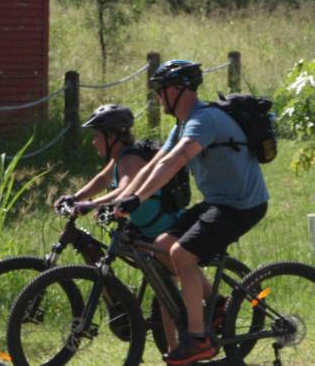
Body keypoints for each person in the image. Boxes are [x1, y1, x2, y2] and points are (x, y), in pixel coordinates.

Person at [109, 60, 269, 365]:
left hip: (242, 205)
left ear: (175, 90)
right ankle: (217, 306)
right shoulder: (182, 125)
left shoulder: (204, 120)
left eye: (160, 91)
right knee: (162, 246)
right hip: (219, 202)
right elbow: (158, 163)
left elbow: (177, 160)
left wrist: (138, 198)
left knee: (182, 254)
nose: (158, 97)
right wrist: (126, 198)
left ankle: (198, 339)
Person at [54, 104, 179, 241]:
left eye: (97, 135)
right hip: (147, 228)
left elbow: (124, 190)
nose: (93, 142)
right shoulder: (120, 156)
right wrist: (74, 198)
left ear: (111, 137)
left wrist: (92, 204)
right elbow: (102, 179)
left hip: (164, 231)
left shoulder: (129, 160)